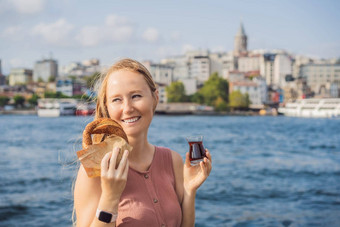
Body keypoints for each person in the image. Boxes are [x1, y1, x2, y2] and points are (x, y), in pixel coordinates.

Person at [74, 58, 212, 227]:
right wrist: (110, 196)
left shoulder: (173, 160)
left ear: (155, 97)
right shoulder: (95, 168)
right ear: (107, 106)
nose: (127, 108)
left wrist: (190, 190)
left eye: (136, 96)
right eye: (117, 99)